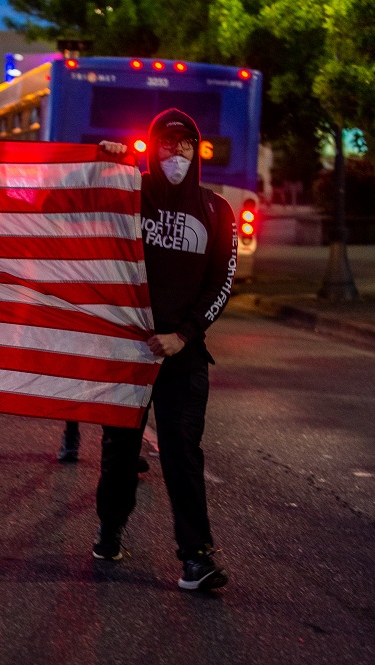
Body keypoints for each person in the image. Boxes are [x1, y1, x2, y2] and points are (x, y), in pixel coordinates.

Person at [92, 109, 237, 592]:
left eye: (186, 146)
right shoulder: (129, 193)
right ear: (152, 149)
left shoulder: (217, 211)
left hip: (183, 357)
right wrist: (103, 163)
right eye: (167, 145)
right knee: (120, 454)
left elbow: (222, 282)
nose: (177, 154)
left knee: (182, 453)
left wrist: (184, 335)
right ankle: (110, 531)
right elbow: (78, 208)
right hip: (128, 355)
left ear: (198, 152)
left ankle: (196, 557)